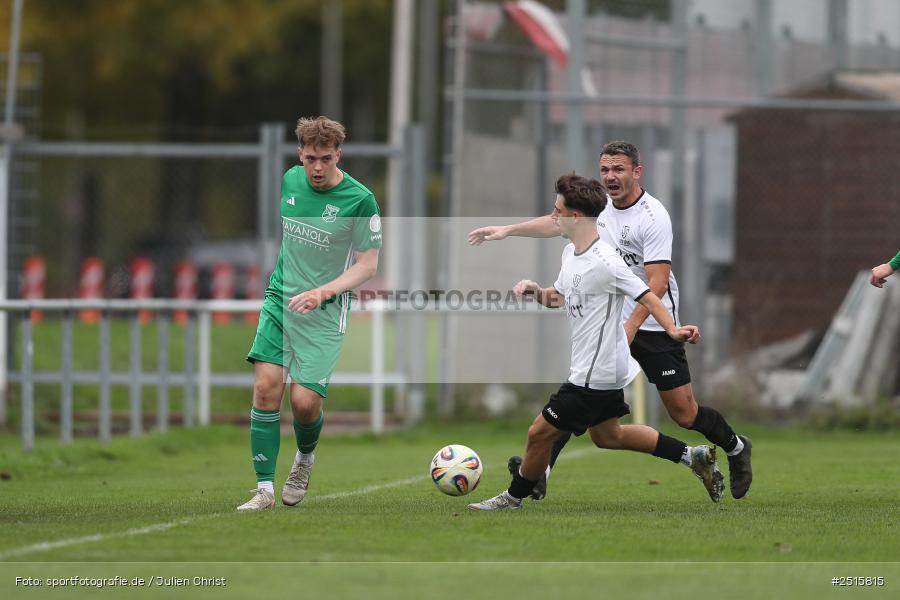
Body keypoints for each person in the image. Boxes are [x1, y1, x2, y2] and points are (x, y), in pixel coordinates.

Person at [468, 141, 752, 501]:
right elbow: (558, 222)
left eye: (618, 169)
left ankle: (736, 447)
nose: (610, 177)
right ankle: (537, 475)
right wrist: (508, 230)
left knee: (682, 413)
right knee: (585, 401)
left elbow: (656, 284)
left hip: (649, 321)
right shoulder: (594, 212)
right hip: (609, 321)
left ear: (637, 172)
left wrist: (633, 328)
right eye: (605, 169)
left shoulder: (653, 217)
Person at [237, 116, 382, 511]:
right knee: (267, 387)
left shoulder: (360, 200)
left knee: (303, 404)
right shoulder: (290, 180)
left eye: (325, 159)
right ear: (300, 153)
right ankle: (264, 489)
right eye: (310, 158)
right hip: (280, 300)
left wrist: (323, 291)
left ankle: (304, 459)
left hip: (324, 311)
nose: (317, 168)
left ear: (339, 154)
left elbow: (368, 265)